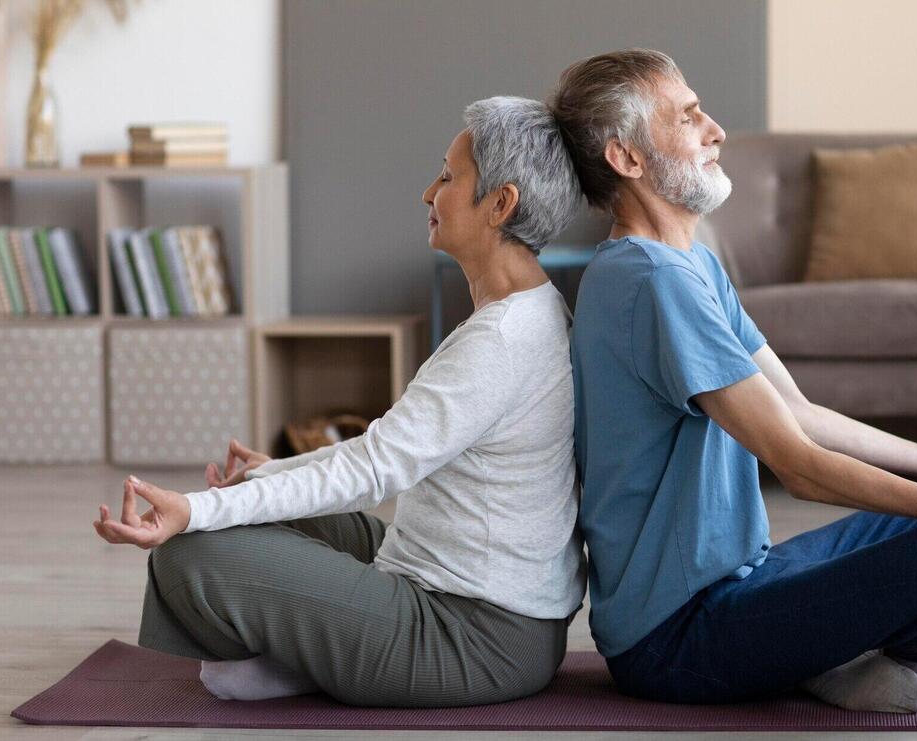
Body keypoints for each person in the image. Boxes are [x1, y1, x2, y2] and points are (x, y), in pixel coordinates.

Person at [550, 49, 917, 713]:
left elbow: (800, 414)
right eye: (689, 118)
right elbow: (800, 467)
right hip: (676, 636)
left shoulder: (686, 262)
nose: (716, 130)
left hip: (742, 577)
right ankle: (833, 652)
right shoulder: (654, 282)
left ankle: (821, 653)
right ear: (628, 159)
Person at [92, 96, 588, 708]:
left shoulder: (501, 344)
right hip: (461, 590)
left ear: (500, 204)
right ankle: (311, 654)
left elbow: (370, 469)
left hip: (471, 635)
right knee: (251, 508)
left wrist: (191, 512)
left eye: (448, 177)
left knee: (191, 550)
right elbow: (382, 451)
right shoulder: (532, 312)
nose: (428, 193)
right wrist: (269, 474)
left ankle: (304, 659)